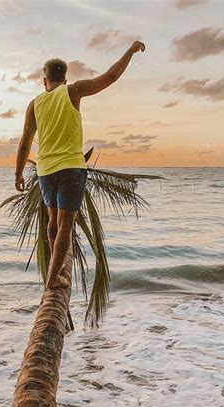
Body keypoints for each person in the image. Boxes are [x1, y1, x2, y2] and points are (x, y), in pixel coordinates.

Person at [15, 41, 146, 289]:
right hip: (71, 169)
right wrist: (129, 51)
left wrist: (18, 172)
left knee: (53, 222)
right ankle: (54, 277)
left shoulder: (34, 104)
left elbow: (24, 143)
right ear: (63, 80)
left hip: (46, 170)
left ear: (45, 81)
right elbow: (111, 77)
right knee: (66, 224)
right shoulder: (73, 91)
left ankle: (54, 269)